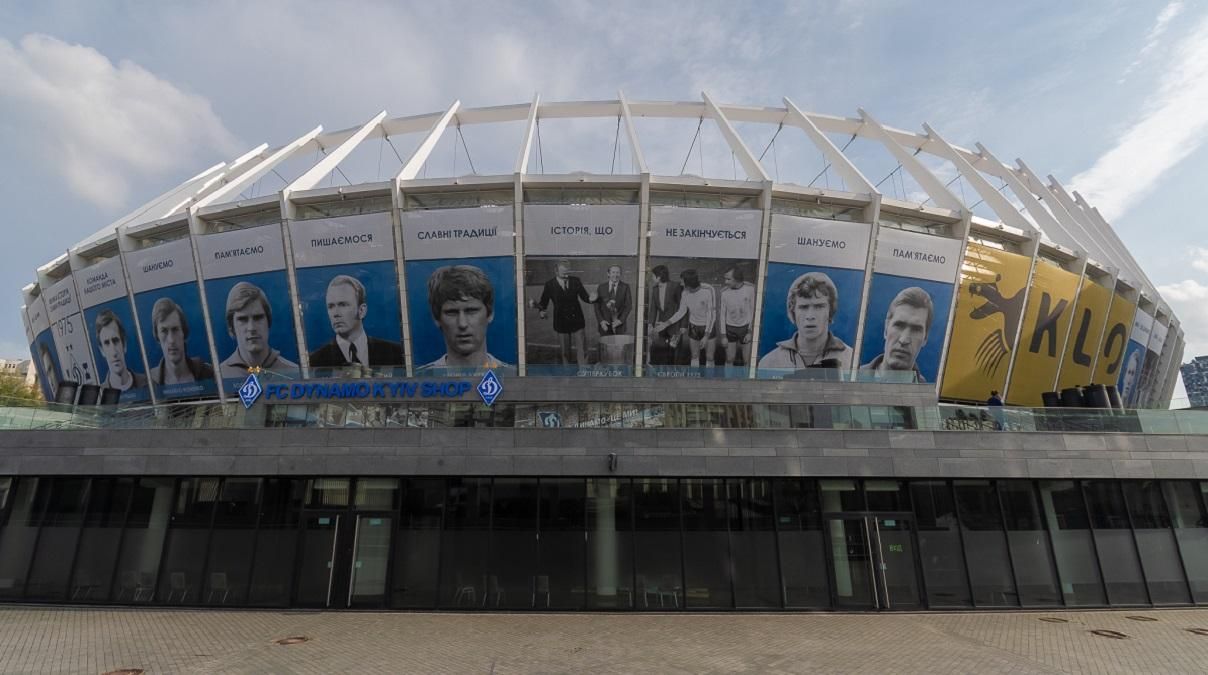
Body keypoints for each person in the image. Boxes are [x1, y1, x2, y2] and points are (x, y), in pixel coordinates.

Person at [757, 271, 853, 371]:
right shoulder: (769, 363)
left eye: (819, 306)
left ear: (831, 310)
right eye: (803, 307)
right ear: (793, 311)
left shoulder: (850, 359)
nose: (810, 316)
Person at [418, 264, 507, 371]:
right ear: (436, 318)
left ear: (490, 313)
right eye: (452, 312)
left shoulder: (515, 379)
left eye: (471, 311)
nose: (462, 324)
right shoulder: (419, 381)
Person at [308, 274, 404, 368]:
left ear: (361, 311)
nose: (335, 313)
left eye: (343, 305)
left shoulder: (396, 353)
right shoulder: (315, 362)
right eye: (331, 306)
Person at [218, 282, 297, 379]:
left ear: (268, 321)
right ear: (231, 327)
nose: (251, 328)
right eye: (242, 319)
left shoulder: (293, 373)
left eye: (258, 318)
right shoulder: (219, 375)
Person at [530, 259, 597, 366]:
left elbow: (585, 296)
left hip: (577, 320)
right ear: (556, 272)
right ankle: (567, 373)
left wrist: (591, 299)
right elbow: (544, 302)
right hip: (561, 322)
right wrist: (541, 310)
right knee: (565, 352)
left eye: (567, 271)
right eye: (563, 271)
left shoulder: (576, 281)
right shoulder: (549, 285)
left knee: (582, 350)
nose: (566, 273)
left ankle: (584, 371)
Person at [860, 286, 933, 382]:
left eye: (916, 330)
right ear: (886, 329)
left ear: (925, 337)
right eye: (899, 325)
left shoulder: (925, 395)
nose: (904, 340)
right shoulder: (852, 380)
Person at [147, 297, 215, 385]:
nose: (171, 340)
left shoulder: (208, 373)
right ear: (157, 336)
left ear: (184, 332)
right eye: (164, 331)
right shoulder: (150, 381)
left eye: (175, 329)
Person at [658, 269, 717, 367]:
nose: (680, 283)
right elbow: (681, 312)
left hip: (709, 328)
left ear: (688, 282)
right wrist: (666, 323)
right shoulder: (685, 293)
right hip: (694, 327)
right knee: (694, 356)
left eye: (682, 281)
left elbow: (712, 314)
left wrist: (706, 336)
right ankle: (694, 380)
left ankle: (709, 380)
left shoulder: (709, 289)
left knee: (710, 357)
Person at [94, 309, 147, 396]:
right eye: (107, 343)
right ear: (102, 351)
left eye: (115, 341)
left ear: (124, 345)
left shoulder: (147, 384)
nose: (114, 352)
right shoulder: (100, 396)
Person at [646, 264, 684, 365]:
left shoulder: (676, 286)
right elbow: (653, 309)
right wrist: (650, 324)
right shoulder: (655, 289)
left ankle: (675, 375)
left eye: (653, 276)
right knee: (664, 353)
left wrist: (683, 326)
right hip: (661, 326)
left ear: (659, 277)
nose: (651, 278)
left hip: (675, 325)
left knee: (675, 354)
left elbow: (683, 308)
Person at [718, 266, 756, 367]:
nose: (725, 282)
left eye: (728, 279)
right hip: (730, 329)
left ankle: (746, 382)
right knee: (729, 359)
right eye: (725, 279)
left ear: (737, 279)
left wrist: (750, 331)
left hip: (745, 328)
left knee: (747, 360)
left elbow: (753, 311)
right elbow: (722, 315)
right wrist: (723, 336)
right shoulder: (724, 293)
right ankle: (727, 382)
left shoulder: (750, 289)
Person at [594, 265, 631, 336]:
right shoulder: (601, 287)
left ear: (620, 274)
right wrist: (601, 321)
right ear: (608, 274)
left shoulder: (625, 287)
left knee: (619, 346)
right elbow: (597, 307)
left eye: (618, 272)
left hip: (620, 325)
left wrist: (620, 321)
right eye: (613, 272)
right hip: (605, 325)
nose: (615, 275)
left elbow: (628, 306)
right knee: (605, 346)